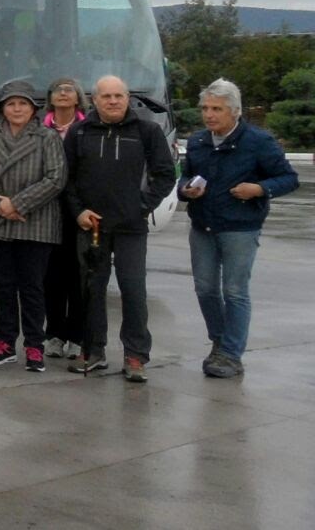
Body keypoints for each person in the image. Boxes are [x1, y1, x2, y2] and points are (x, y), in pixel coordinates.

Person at [179, 78, 298, 379]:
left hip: (240, 228)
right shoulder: (197, 142)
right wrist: (186, 190)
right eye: (205, 108)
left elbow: (288, 178)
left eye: (216, 109)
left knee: (234, 291)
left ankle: (231, 354)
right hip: (202, 226)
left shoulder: (258, 142)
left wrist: (258, 189)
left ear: (235, 111)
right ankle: (219, 342)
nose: (209, 115)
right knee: (205, 288)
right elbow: (184, 179)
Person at [62, 76, 176, 381]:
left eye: (119, 96)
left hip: (130, 227)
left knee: (133, 290)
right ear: (95, 100)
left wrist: (141, 206)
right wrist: (78, 212)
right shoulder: (79, 131)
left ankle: (135, 356)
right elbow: (67, 180)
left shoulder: (147, 131)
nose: (113, 101)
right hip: (92, 227)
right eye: (107, 96)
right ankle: (93, 352)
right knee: (91, 291)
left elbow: (165, 175)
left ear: (127, 99)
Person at [0, 81, 66, 373]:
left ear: (33, 108)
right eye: (11, 104)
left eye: (23, 103)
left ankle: (35, 345)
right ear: (2, 109)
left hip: (35, 223)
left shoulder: (47, 137)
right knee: (3, 286)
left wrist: (17, 204)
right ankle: (4, 342)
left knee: (32, 287)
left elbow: (55, 178)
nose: (17, 109)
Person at [41, 77, 88, 360]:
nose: (62, 93)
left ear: (78, 98)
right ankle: (54, 334)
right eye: (57, 89)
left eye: (68, 90)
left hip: (79, 213)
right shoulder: (40, 129)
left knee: (78, 277)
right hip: (47, 213)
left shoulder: (87, 129)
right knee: (51, 278)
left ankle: (77, 336)